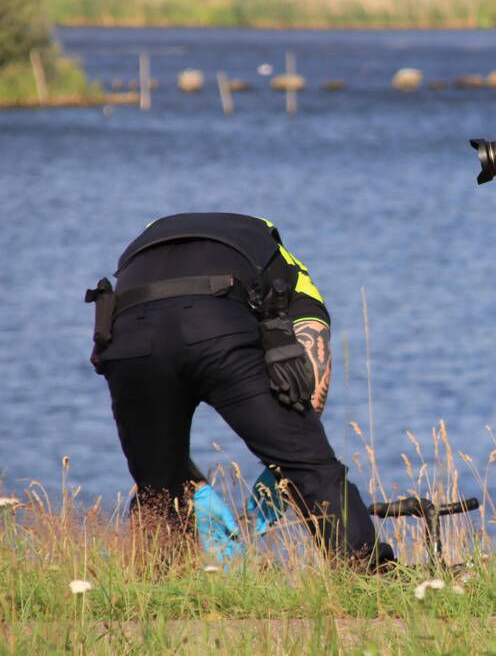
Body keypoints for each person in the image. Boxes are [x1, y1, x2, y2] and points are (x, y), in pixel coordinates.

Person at [85, 212, 393, 569]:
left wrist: (189, 479)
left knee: (157, 486)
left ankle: (159, 587)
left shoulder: (140, 250)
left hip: (129, 340)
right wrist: (289, 458)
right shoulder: (273, 249)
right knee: (311, 466)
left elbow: (156, 329)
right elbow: (313, 338)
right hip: (216, 327)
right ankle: (365, 573)